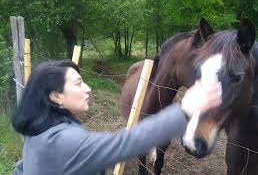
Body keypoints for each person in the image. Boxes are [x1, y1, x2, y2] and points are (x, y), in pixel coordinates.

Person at [12, 59, 221, 175]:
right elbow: (125, 143)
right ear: (56, 97)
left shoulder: (39, 130)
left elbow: (23, 168)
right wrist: (184, 109)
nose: (88, 88)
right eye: (78, 84)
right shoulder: (64, 141)